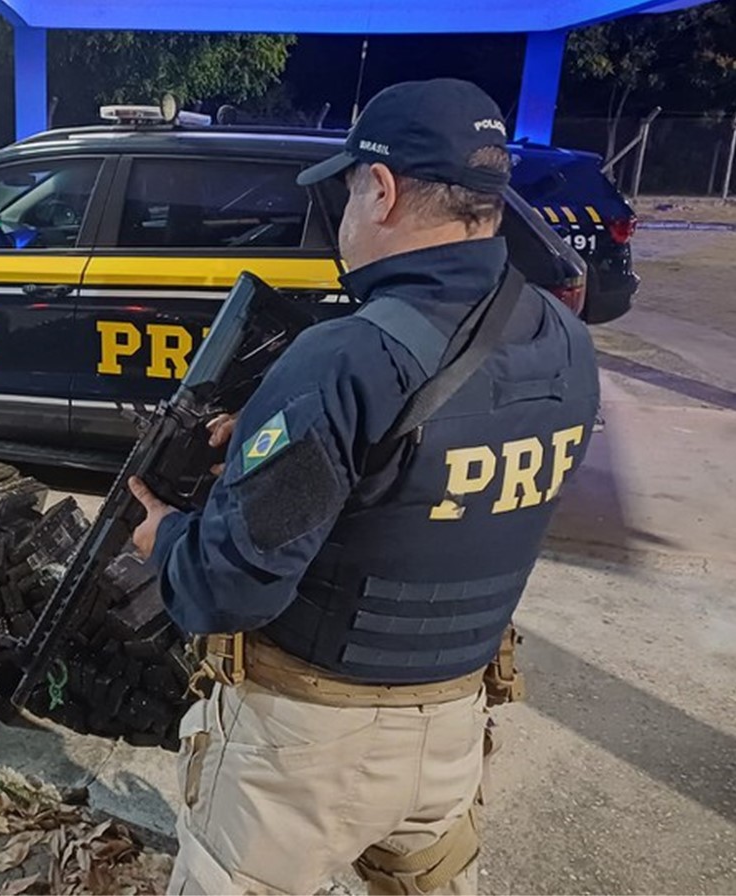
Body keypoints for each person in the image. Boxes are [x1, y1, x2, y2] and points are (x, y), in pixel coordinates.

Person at [127, 78, 601, 896]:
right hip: (454, 731)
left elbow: (229, 587)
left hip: (307, 752)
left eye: (347, 192)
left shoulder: (345, 359)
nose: (342, 217)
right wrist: (296, 442)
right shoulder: (563, 338)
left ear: (380, 191)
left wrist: (163, 535)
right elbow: (443, 476)